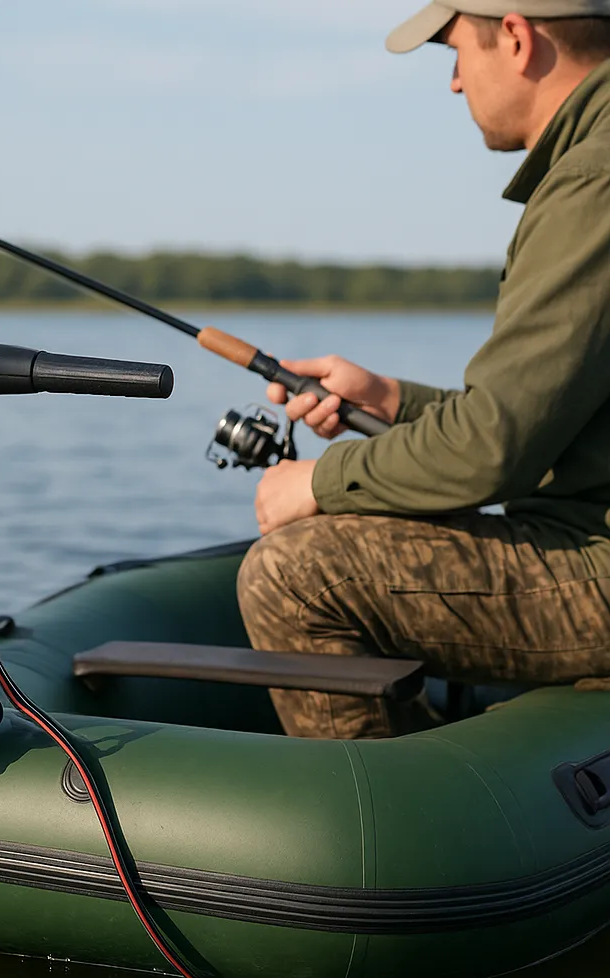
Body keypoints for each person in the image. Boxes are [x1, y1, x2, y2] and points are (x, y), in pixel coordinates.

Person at [237, 0, 610, 739]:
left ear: (514, 36)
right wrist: (392, 400)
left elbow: (493, 451)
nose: (453, 83)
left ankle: (389, 841)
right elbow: (548, 421)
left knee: (294, 575)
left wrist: (317, 480)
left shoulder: (592, 182)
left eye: (454, 53)